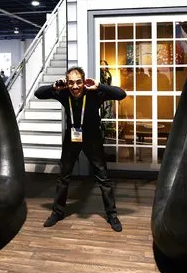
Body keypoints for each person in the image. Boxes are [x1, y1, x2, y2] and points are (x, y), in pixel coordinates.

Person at [34, 66, 127, 232]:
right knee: (63, 177)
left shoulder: (94, 93)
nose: (75, 86)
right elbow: (39, 93)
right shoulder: (64, 93)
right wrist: (55, 85)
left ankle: (112, 215)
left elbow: (121, 94)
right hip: (72, 138)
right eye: (71, 83)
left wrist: (100, 86)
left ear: (84, 82)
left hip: (92, 139)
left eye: (78, 82)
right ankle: (57, 212)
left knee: (103, 178)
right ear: (67, 82)